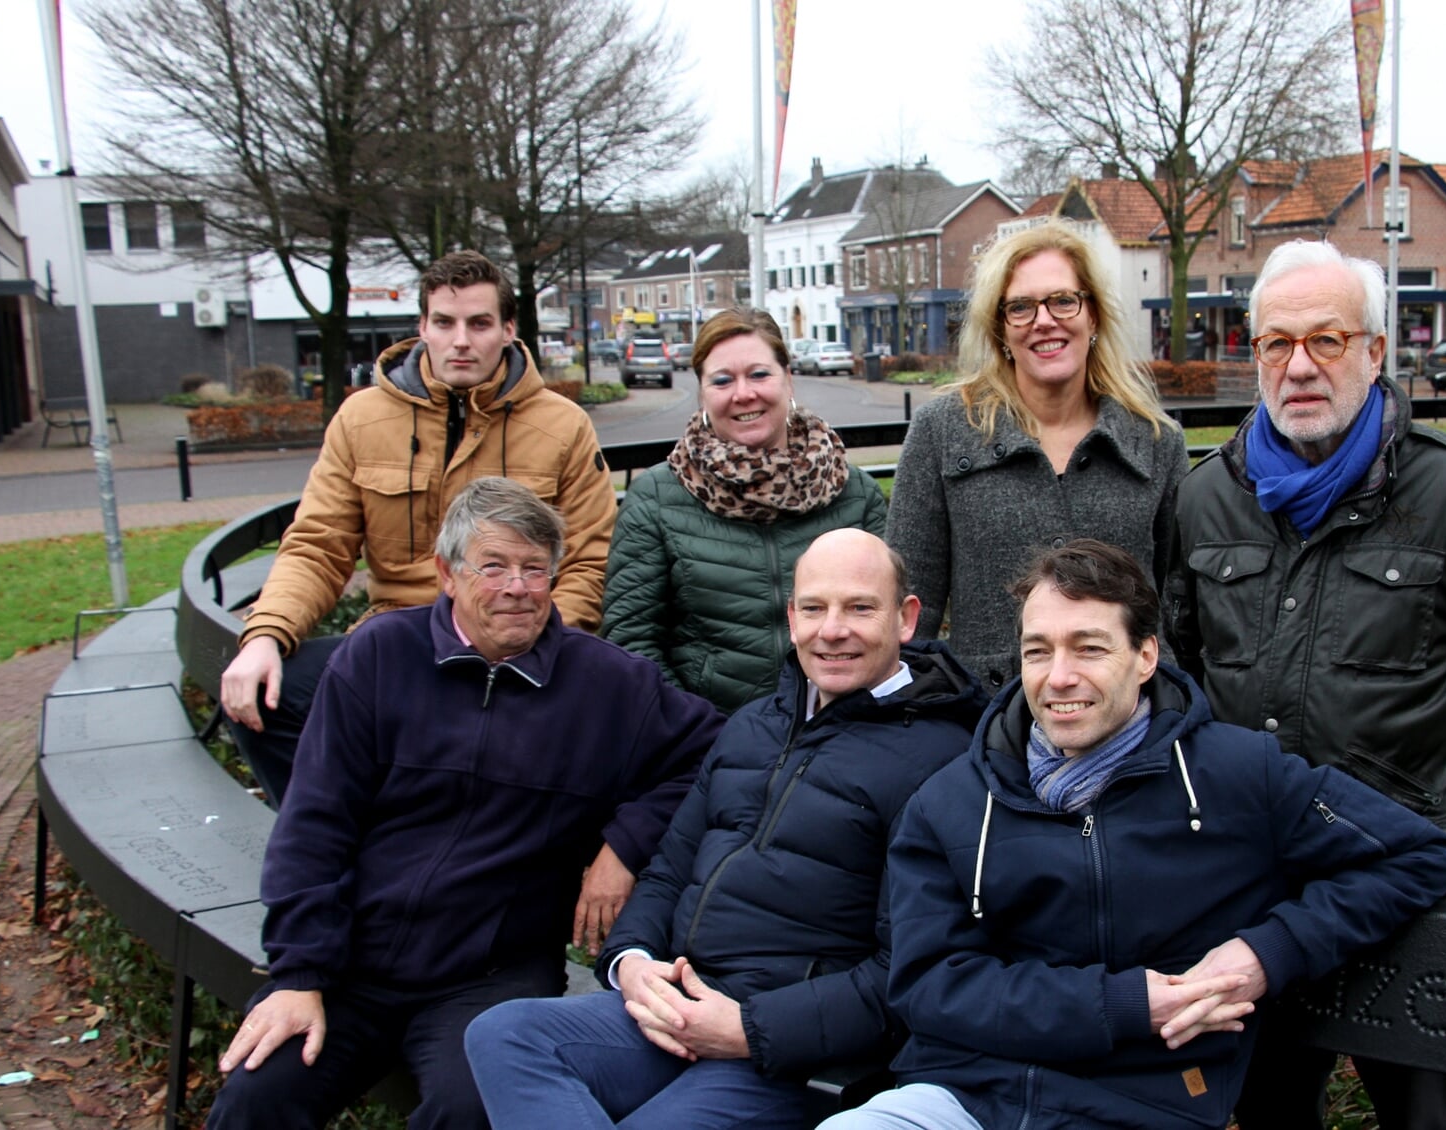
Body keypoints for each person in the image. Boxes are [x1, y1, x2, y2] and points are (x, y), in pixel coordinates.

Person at [818, 540, 1446, 1130]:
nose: (1057, 676)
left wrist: (1267, 953)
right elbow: (930, 986)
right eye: (1038, 650)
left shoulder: (1236, 775)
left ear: (1146, 655)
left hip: (1139, 1103)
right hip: (960, 1096)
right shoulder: (953, 800)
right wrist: (1121, 1003)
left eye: (1089, 648)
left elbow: (1414, 855)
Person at [1162, 238, 1446, 1130]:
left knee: (1419, 1117)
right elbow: (1184, 665)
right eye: (1275, 343)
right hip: (1257, 888)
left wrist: (1425, 795)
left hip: (1413, 887)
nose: (1299, 366)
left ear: (1376, 351)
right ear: (1253, 353)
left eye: (1327, 341)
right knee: (1268, 1113)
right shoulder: (1202, 502)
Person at [205, 478, 723, 1130]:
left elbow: (715, 755)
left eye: (536, 570)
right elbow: (315, 825)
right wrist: (299, 974)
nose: (518, 588)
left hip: (491, 976)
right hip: (350, 967)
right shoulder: (378, 657)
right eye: (495, 567)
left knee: (472, 1109)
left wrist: (625, 844)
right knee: (257, 1097)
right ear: (447, 574)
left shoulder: (611, 685)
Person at [464, 529, 986, 1129]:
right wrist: (631, 962)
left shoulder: (945, 760)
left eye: (860, 608)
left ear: (906, 619)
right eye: (814, 608)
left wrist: (748, 1028)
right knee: (506, 1034)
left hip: (787, 1051)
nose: (832, 629)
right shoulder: (752, 725)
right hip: (674, 1004)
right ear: (791, 619)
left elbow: (913, 966)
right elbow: (668, 870)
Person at [219, 249, 616, 806]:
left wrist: (523, 642)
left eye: (479, 324)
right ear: (422, 327)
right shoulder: (362, 419)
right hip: (396, 637)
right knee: (261, 692)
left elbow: (590, 562)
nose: (461, 341)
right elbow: (318, 546)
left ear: (507, 329)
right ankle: (334, 830)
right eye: (445, 323)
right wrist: (264, 636)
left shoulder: (562, 426)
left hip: (513, 637)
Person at [885, 220, 1187, 690]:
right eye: (1021, 307)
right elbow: (910, 608)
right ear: (1000, 328)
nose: (1044, 320)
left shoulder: (1154, 441)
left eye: (1063, 300)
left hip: (1127, 719)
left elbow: (1174, 600)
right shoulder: (941, 431)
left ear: (1093, 315)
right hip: (984, 722)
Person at [602, 308, 887, 713]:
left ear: (788, 378)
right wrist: (700, 732)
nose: (743, 394)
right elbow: (631, 641)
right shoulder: (656, 497)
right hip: (705, 741)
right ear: (701, 391)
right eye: (722, 380)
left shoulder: (856, 494)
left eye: (759, 374)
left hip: (841, 735)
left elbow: (887, 627)